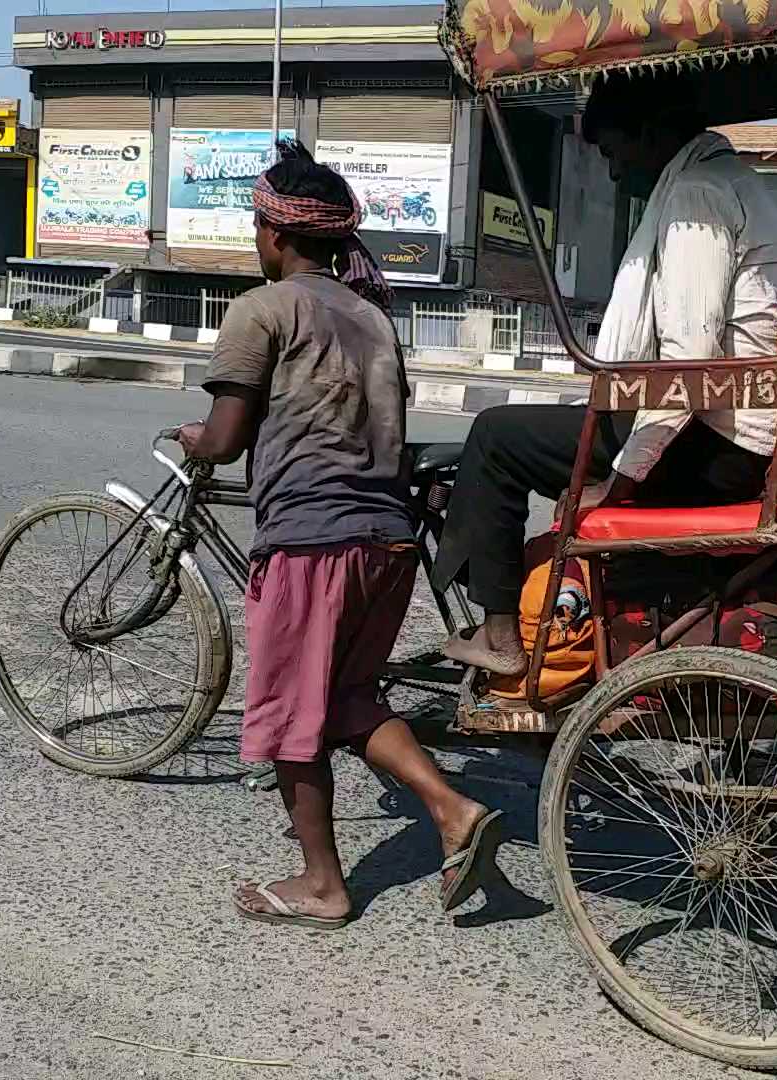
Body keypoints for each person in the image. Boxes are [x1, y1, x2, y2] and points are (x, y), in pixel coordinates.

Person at [178, 141, 504, 929]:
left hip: (312, 541)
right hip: (385, 541)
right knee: (349, 697)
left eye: (258, 228)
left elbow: (225, 439)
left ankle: (323, 885)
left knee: (293, 712)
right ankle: (454, 813)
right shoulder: (370, 315)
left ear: (274, 235)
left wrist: (194, 437)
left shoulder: (263, 309)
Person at [435, 75, 777, 676]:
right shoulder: (767, 195)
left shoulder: (697, 193)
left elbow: (686, 363)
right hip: (750, 431)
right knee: (548, 425)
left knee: (495, 437)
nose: (614, 173)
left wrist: (621, 480)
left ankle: (500, 634)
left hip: (715, 450)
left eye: (615, 152)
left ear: (653, 132)